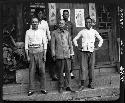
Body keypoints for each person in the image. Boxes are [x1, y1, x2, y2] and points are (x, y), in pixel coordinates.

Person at [73, 17, 103, 90]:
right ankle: (82, 85)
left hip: (92, 52)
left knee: (91, 68)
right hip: (84, 52)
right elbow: (74, 39)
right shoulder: (82, 31)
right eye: (86, 22)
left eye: (89, 22)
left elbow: (101, 39)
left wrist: (98, 47)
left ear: (91, 23)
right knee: (83, 68)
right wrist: (77, 46)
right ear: (85, 23)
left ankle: (90, 83)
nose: (88, 24)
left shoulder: (94, 31)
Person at [25, 17, 48, 96]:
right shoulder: (28, 32)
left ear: (38, 23)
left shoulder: (42, 31)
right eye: (33, 22)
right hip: (31, 52)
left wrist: (44, 55)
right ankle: (31, 89)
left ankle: (43, 88)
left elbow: (45, 43)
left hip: (40, 52)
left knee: (42, 71)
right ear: (31, 23)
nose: (34, 23)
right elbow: (26, 45)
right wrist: (27, 56)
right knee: (31, 71)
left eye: (36, 22)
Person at [51, 19, 75, 93]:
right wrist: (53, 54)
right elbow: (52, 45)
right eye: (60, 23)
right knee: (60, 72)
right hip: (59, 55)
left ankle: (68, 86)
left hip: (67, 54)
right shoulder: (54, 33)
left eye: (62, 23)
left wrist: (71, 53)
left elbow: (70, 44)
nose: (61, 24)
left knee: (68, 71)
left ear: (64, 25)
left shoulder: (67, 33)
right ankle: (61, 86)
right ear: (58, 24)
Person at [62, 10, 75, 79]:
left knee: (71, 58)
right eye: (64, 14)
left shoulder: (70, 24)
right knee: (64, 58)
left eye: (67, 14)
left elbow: (72, 34)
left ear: (68, 15)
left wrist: (70, 41)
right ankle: (64, 72)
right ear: (62, 15)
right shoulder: (61, 23)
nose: (65, 15)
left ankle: (70, 72)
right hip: (63, 44)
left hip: (70, 43)